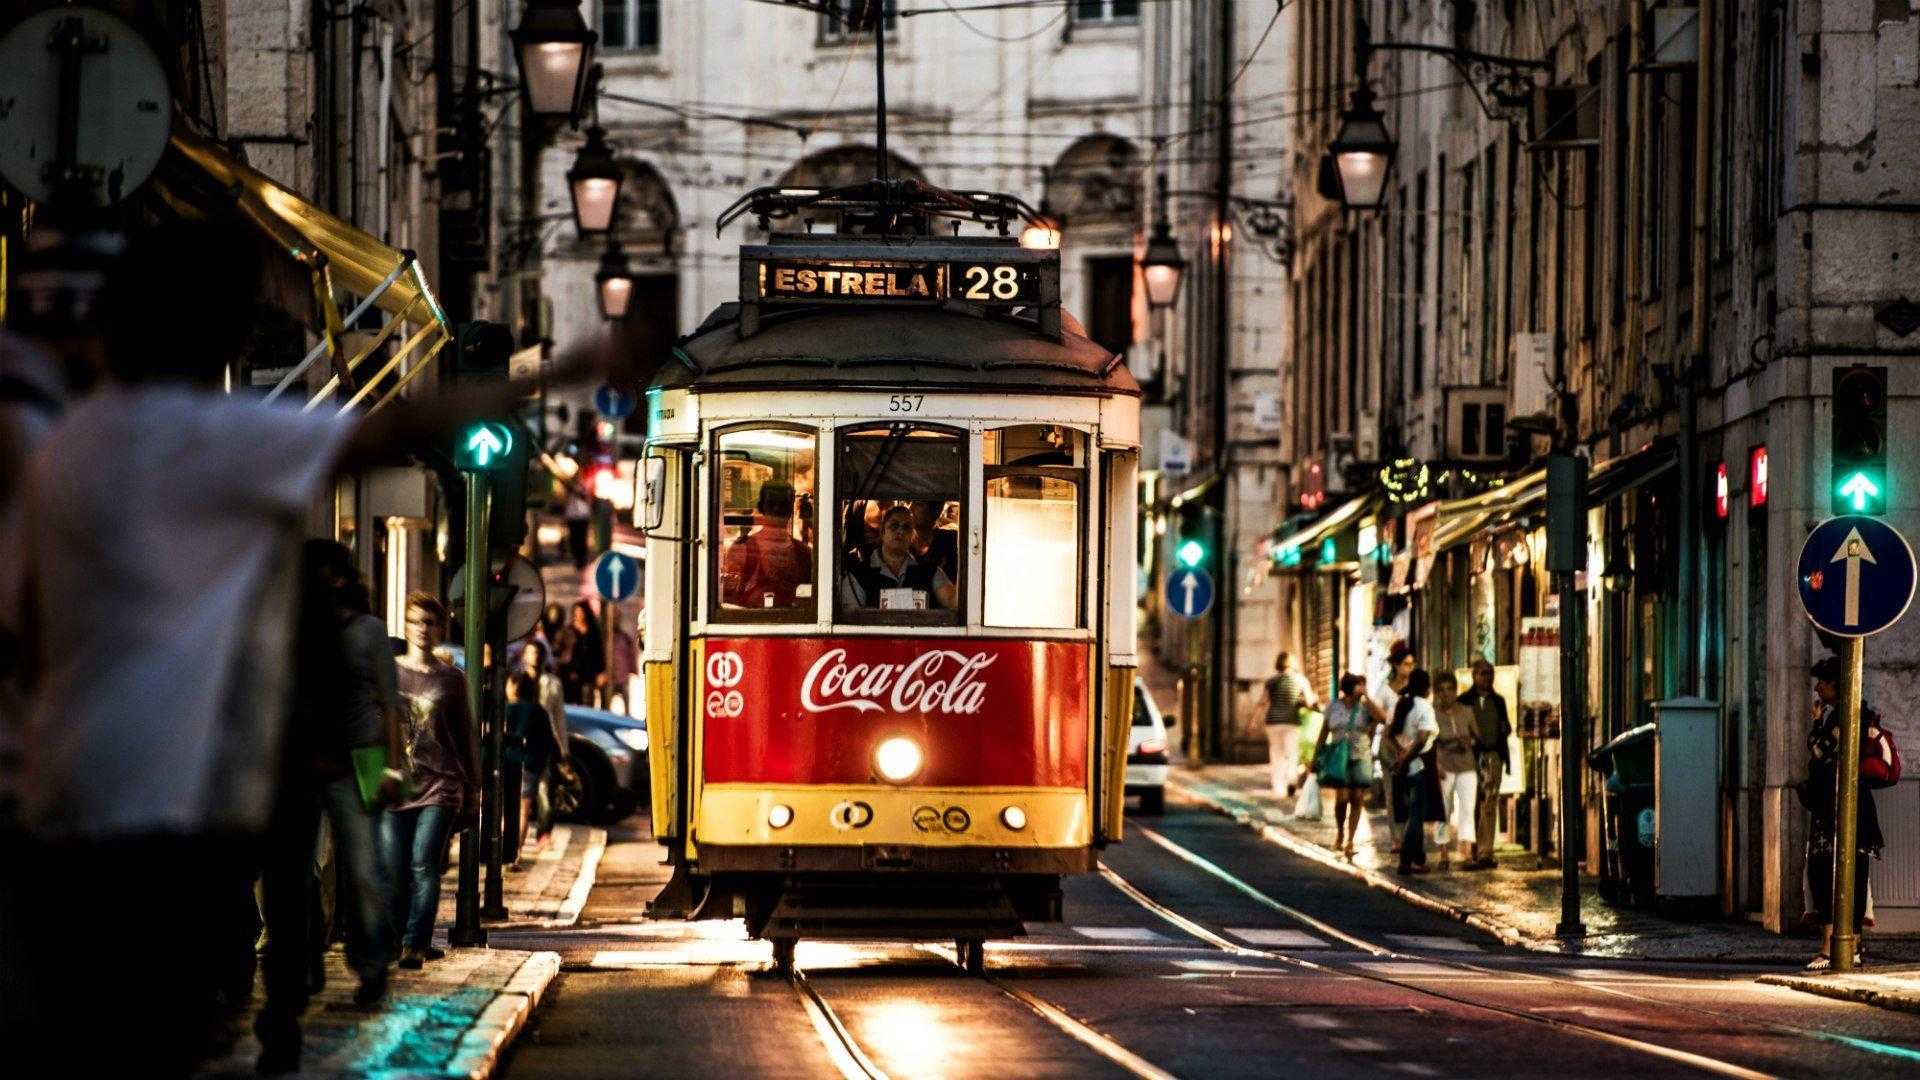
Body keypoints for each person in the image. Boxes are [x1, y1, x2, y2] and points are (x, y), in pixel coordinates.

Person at [4, 219, 629, 1074]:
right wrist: (572, 368)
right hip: (170, 822)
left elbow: (28, 633)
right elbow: (381, 431)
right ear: (209, 336)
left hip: (59, 813)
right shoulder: (201, 437)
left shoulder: (65, 450)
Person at [305, 541, 405, 1003]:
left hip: (354, 767)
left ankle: (370, 967)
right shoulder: (300, 629)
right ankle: (304, 961)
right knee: (297, 872)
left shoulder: (368, 632)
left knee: (362, 871)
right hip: (303, 767)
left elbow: (390, 704)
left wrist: (393, 767)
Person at [382, 594, 479, 970]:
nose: (423, 629)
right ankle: (393, 939)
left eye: (429, 622)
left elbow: (466, 735)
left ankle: (415, 944)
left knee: (423, 864)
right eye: (416, 621)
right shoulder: (388, 672)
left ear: (439, 629)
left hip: (441, 783)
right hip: (396, 783)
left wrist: (474, 789)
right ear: (405, 626)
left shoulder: (452, 679)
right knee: (393, 869)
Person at [1801, 655, 1883, 970]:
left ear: (1837, 684)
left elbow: (1821, 750)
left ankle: (1835, 946)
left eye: (1822, 682)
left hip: (1843, 808)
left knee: (1834, 875)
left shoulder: (1850, 716)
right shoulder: (1842, 715)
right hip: (1835, 807)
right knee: (1836, 874)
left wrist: (1818, 727)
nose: (1818, 688)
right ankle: (1850, 944)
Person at [840, 504, 957, 610]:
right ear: (882, 532)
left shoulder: (930, 571)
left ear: (912, 536)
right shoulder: (858, 574)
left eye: (906, 527)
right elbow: (852, 618)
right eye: (894, 525)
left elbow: (952, 601)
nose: (900, 531)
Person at [1311, 674, 1377, 860]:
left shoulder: (1365, 707)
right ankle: (1340, 831)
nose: (1361, 689)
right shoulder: (1333, 706)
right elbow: (1324, 731)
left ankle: (1350, 840)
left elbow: (1382, 717)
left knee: (1357, 798)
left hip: (1360, 756)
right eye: (1359, 686)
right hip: (1340, 758)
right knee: (1342, 799)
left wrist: (1367, 697)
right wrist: (1316, 757)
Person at [720, 481, 813, 609]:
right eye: (772, 503)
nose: (777, 509)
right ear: (761, 507)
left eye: (783, 504)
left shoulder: (804, 553)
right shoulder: (742, 549)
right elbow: (728, 599)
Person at [506, 671, 565, 868]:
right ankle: (516, 853)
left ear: (514, 686)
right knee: (523, 812)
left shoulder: (503, 710)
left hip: (505, 765)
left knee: (505, 812)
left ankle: (504, 850)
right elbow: (548, 741)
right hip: (528, 767)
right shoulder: (538, 711)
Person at [1458, 659, 1510, 869]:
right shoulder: (1464, 701)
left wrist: (1504, 730)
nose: (1487, 677)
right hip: (1471, 756)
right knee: (1473, 801)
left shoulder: (1498, 701)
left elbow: (1506, 726)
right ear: (1474, 676)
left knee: (1490, 801)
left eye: (1489, 673)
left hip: (1493, 755)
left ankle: (1486, 851)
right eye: (1483, 673)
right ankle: (1471, 849)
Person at [1386, 669, 1438, 875]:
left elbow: (1387, 734)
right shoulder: (1424, 707)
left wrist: (1399, 754)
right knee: (1416, 814)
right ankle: (1406, 860)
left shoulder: (1398, 704)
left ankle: (1419, 858)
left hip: (1401, 766)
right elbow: (1423, 738)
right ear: (1427, 687)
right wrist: (1407, 756)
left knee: (1408, 812)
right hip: (1418, 764)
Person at [1369, 641, 1417, 849]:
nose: (1410, 668)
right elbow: (1375, 713)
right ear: (1396, 666)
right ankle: (1397, 838)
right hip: (1390, 747)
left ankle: (1409, 834)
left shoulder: (1416, 689)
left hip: (1413, 746)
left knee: (1412, 794)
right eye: (1406, 664)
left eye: (1412, 664)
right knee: (1392, 795)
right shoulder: (1385, 689)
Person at [1430, 671, 1479, 871]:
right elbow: (1430, 743)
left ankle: (1467, 850)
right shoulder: (1433, 713)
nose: (1446, 694)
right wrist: (1436, 764)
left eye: (1450, 689)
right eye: (1441, 690)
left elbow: (1477, 736)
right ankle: (1443, 851)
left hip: (1466, 765)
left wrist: (1470, 741)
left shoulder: (1466, 711)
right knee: (1443, 809)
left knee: (1467, 807)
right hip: (1444, 764)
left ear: (1456, 690)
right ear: (1436, 692)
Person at [1262, 652, 1318, 799]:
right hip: (1291, 720)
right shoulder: (1300, 680)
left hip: (1273, 721)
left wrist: (1252, 721)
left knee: (1276, 754)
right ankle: (1291, 779)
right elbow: (1310, 702)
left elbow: (1263, 701)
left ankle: (1278, 788)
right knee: (1291, 752)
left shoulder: (1271, 681)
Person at [559, 600, 607, 705]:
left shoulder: (593, 630)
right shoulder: (569, 630)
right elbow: (563, 650)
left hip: (589, 672)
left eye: (581, 612)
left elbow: (599, 652)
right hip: (572, 672)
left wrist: (602, 671)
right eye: (576, 612)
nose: (579, 615)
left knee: (588, 700)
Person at [909, 499, 959, 581]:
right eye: (912, 503)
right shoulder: (902, 540)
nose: (911, 508)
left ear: (934, 510)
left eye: (919, 504)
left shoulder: (949, 539)